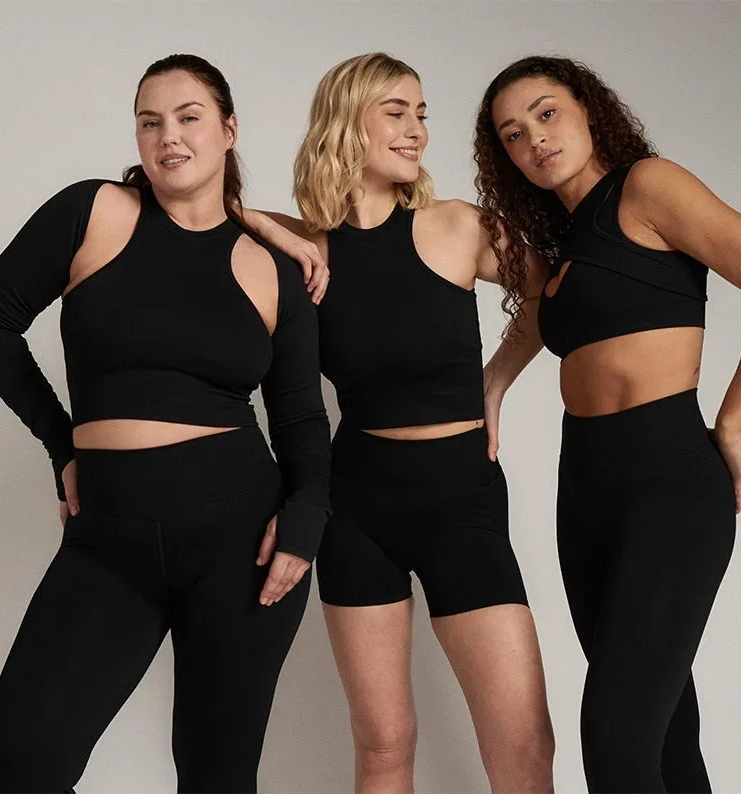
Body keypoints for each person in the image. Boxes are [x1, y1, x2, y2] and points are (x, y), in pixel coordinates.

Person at [0, 53, 330, 793]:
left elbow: (298, 416)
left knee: (216, 776)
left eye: (189, 118)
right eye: (149, 122)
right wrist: (61, 445)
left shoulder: (270, 268)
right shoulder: (95, 212)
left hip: (240, 543)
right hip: (109, 540)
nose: (169, 136)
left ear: (229, 129)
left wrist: (307, 519)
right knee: (20, 758)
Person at [474, 55, 741, 793]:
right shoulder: (566, 246)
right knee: (664, 740)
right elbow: (541, 315)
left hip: (668, 481)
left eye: (545, 113)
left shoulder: (647, 187)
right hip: (585, 491)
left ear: (587, 108)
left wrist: (731, 420)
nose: (534, 138)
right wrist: (493, 383)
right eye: (512, 134)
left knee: (615, 738)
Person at [241, 52, 555, 792]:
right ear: (345, 122)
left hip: (462, 499)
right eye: (396, 112)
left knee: (524, 745)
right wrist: (267, 225)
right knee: (383, 745)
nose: (417, 129)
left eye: (421, 114)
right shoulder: (308, 249)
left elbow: (550, 294)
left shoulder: (458, 225)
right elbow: (201, 207)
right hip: (358, 506)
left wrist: (496, 380)